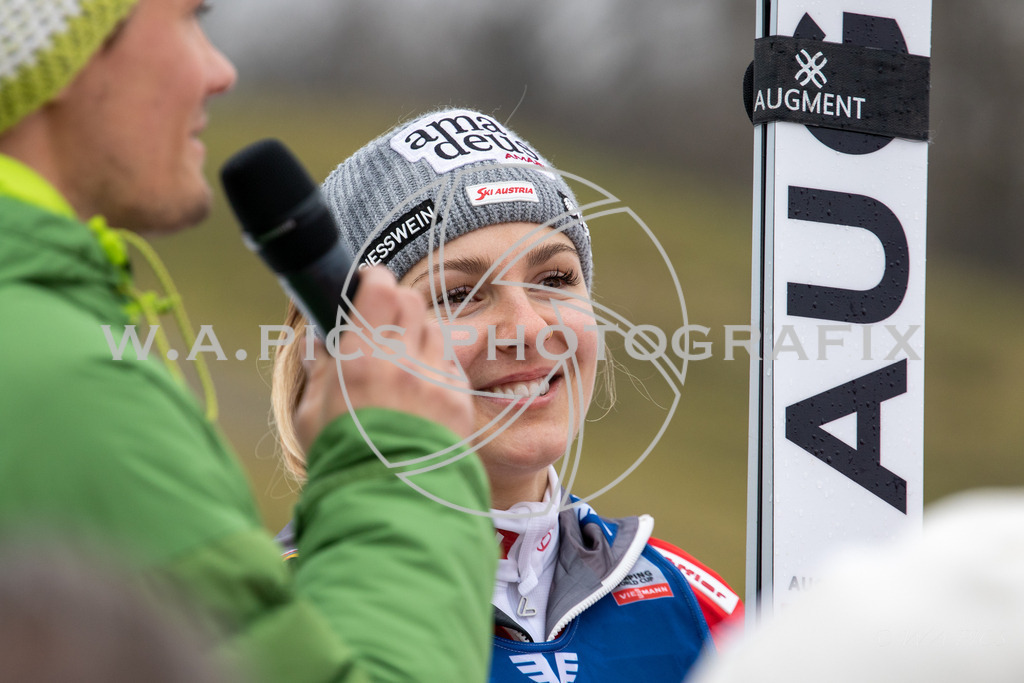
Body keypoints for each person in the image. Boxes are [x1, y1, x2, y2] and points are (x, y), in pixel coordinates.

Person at [0, 2, 496, 682]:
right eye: (186, 19)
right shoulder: (67, 392)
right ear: (53, 48)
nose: (219, 70)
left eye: (557, 277)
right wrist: (399, 454)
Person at [272, 107, 743, 681]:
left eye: (554, 280)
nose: (528, 328)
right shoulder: (277, 621)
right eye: (459, 293)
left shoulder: (695, 608)